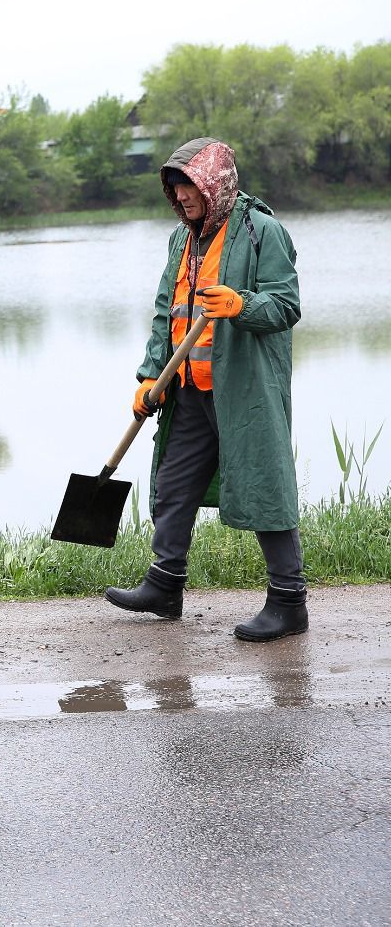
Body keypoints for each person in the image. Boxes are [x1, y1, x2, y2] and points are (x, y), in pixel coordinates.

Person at [105, 137, 306, 641]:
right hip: (188, 390)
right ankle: (164, 585)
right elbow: (165, 315)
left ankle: (288, 602)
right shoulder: (182, 239)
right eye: (174, 187)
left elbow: (285, 306)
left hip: (244, 390)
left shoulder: (263, 232)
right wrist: (152, 375)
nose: (181, 195)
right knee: (173, 488)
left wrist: (241, 304)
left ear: (215, 183)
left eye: (189, 184)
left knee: (265, 487)